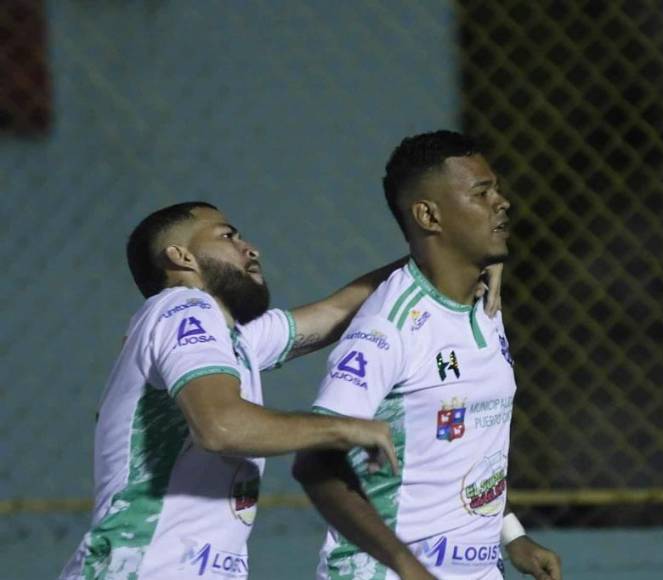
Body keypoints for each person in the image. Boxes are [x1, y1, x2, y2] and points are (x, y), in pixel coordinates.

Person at [59, 201, 500, 579]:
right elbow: (220, 426)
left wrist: (456, 257)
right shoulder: (182, 307)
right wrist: (344, 428)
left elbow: (336, 310)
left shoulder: (234, 342)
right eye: (227, 235)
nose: (249, 247)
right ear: (180, 256)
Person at [293, 131, 562, 580]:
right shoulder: (388, 327)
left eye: (495, 188)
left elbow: (462, 448)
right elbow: (314, 463)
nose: (502, 201)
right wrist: (407, 566)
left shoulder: (483, 305)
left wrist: (510, 533)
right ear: (429, 215)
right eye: (482, 192)